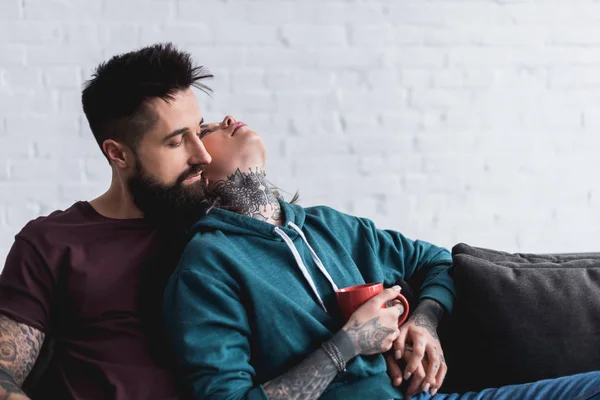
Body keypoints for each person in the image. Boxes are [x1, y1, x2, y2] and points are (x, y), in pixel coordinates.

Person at [162, 116, 600, 400]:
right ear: (197, 172)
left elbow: (437, 262)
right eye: (204, 131)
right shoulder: (207, 266)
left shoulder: (330, 225)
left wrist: (424, 322)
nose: (223, 120)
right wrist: (349, 344)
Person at [0, 43, 215, 399]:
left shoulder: (218, 228)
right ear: (118, 154)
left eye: (200, 130)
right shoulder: (52, 242)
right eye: (177, 142)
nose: (202, 154)